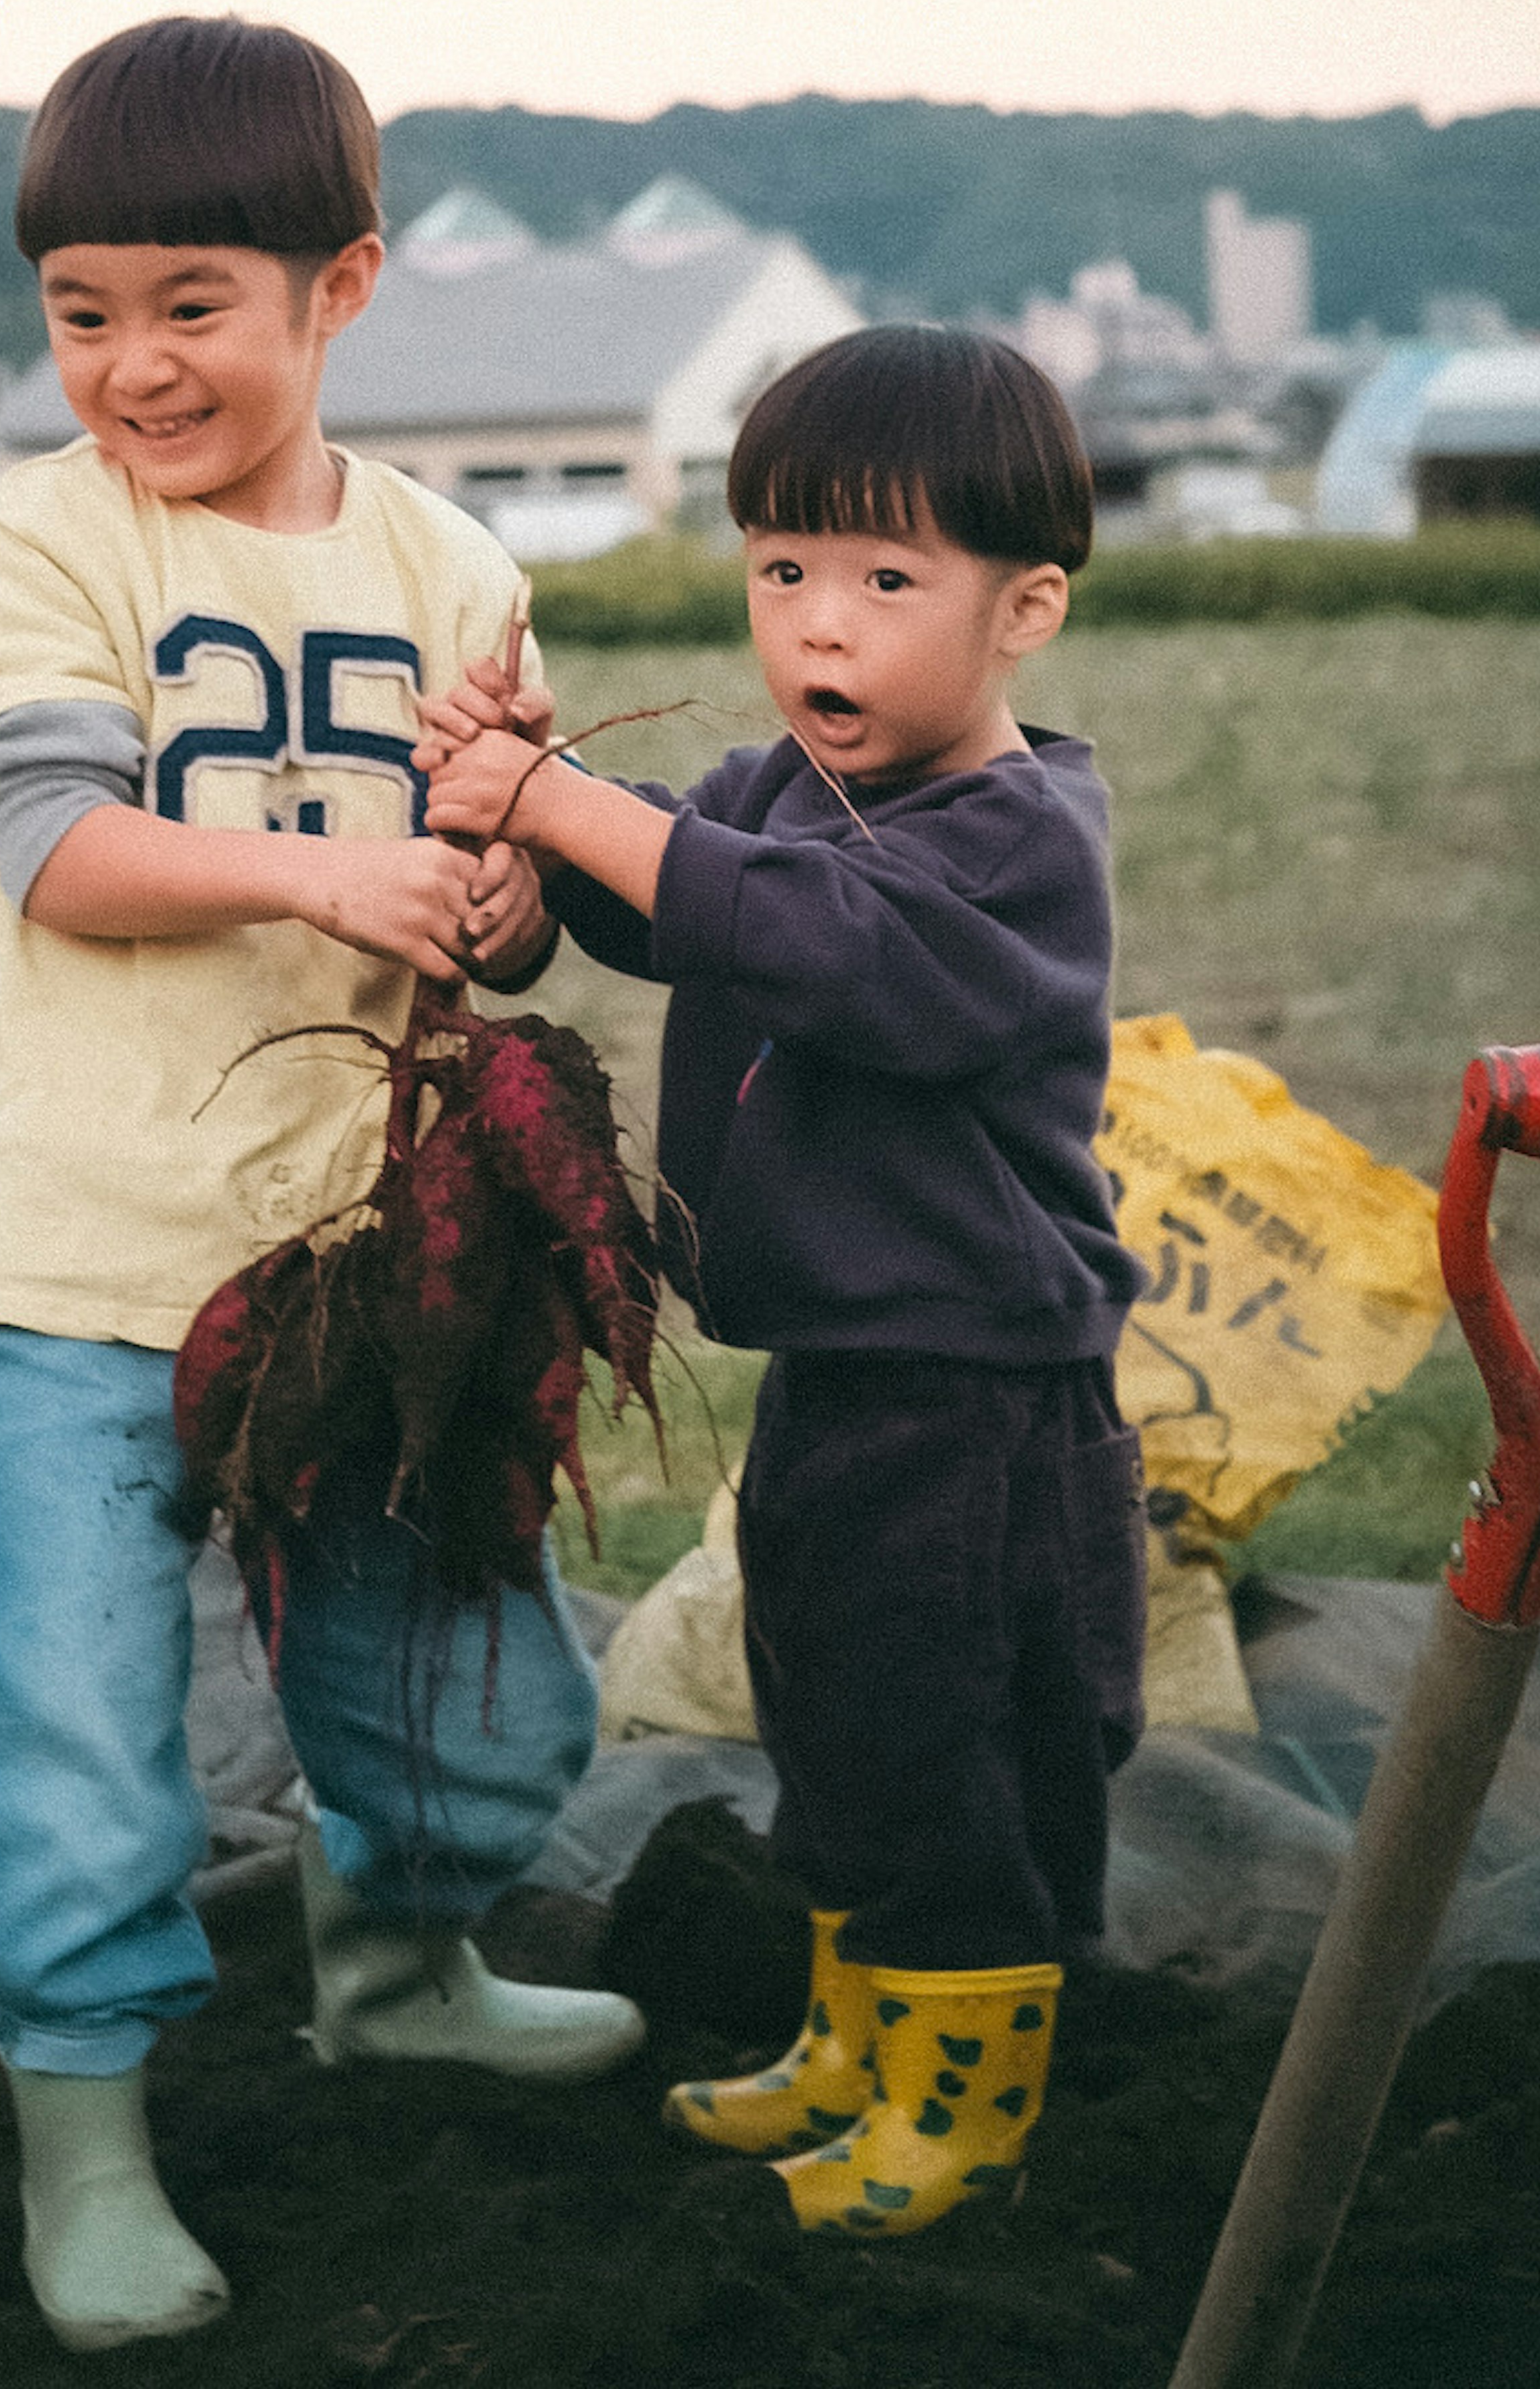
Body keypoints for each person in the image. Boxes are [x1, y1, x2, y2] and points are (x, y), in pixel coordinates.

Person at [0, 14, 642, 2358]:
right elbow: (60, 851)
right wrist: (329, 882)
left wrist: (495, 904)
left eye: (191, 304)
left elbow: (498, 878)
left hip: (362, 1271)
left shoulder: (452, 560)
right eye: (80, 309)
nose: (130, 364)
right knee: (80, 1748)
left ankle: (398, 1970)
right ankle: (84, 2161)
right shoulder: (47, 541)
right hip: (68, 1262)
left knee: (486, 1717)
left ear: (346, 288)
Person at [417, 323, 1145, 2239]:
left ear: (1025, 609)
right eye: (783, 573)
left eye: (887, 581)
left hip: (980, 1393)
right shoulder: (769, 794)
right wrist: (516, 846)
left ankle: (964, 2099)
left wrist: (569, 807)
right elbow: (654, 902)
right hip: (844, 1360)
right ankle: (858, 2037)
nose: (822, 625)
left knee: (949, 1734)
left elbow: (825, 947)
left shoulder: (1016, 840)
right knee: (824, 1704)